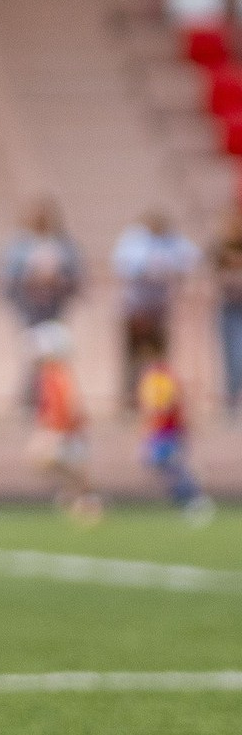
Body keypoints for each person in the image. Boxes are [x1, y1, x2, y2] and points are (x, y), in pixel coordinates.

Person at [0, 196, 84, 411]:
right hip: (29, 306)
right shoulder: (19, 244)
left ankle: (55, 399)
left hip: (55, 305)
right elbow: (8, 277)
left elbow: (76, 274)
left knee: (55, 352)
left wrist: (58, 280)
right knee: (34, 352)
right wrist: (31, 279)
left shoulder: (63, 243)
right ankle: (31, 399)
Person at [111, 210, 200, 411]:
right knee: (133, 357)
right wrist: (148, 268)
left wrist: (172, 269)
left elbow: (192, 258)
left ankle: (160, 399)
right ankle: (131, 400)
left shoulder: (173, 241)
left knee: (159, 358)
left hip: (159, 309)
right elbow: (123, 264)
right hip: (136, 309)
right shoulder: (134, 239)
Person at [24, 322, 103, 526]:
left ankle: (83, 500)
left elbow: (65, 404)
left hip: (64, 430)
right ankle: (79, 498)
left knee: (51, 461)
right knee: (58, 466)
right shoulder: (49, 373)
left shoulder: (55, 373)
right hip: (61, 429)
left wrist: (56, 431)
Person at [135, 337, 215, 525]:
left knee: (168, 463)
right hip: (158, 429)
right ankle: (186, 497)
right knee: (160, 463)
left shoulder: (163, 376)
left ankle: (194, 497)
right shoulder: (151, 376)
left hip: (166, 429)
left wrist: (178, 424)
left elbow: (167, 404)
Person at [208, 200, 242, 415]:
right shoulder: (220, 250)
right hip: (228, 307)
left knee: (239, 355)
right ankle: (230, 402)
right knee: (229, 357)